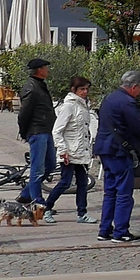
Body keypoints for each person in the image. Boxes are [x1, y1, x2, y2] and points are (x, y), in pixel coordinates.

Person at [93, 70, 140, 242]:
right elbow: (138, 127)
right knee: (124, 193)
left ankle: (105, 230)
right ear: (134, 87)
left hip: (105, 148)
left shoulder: (109, 98)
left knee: (110, 191)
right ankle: (121, 231)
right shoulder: (128, 102)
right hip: (119, 150)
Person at [41, 75, 98, 224]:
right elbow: (57, 130)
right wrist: (62, 150)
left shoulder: (83, 106)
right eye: (82, 89)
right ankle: (47, 208)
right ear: (74, 90)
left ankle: (82, 213)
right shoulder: (69, 106)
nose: (85, 92)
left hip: (81, 151)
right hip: (69, 151)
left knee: (82, 183)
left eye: (86, 89)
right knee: (65, 182)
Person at [17, 58, 57, 206]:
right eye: (46, 67)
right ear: (39, 70)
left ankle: (27, 194)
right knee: (37, 169)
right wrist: (24, 132)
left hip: (46, 130)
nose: (48, 70)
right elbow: (24, 113)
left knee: (51, 165)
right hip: (37, 131)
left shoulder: (39, 85)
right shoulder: (32, 88)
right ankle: (38, 203)